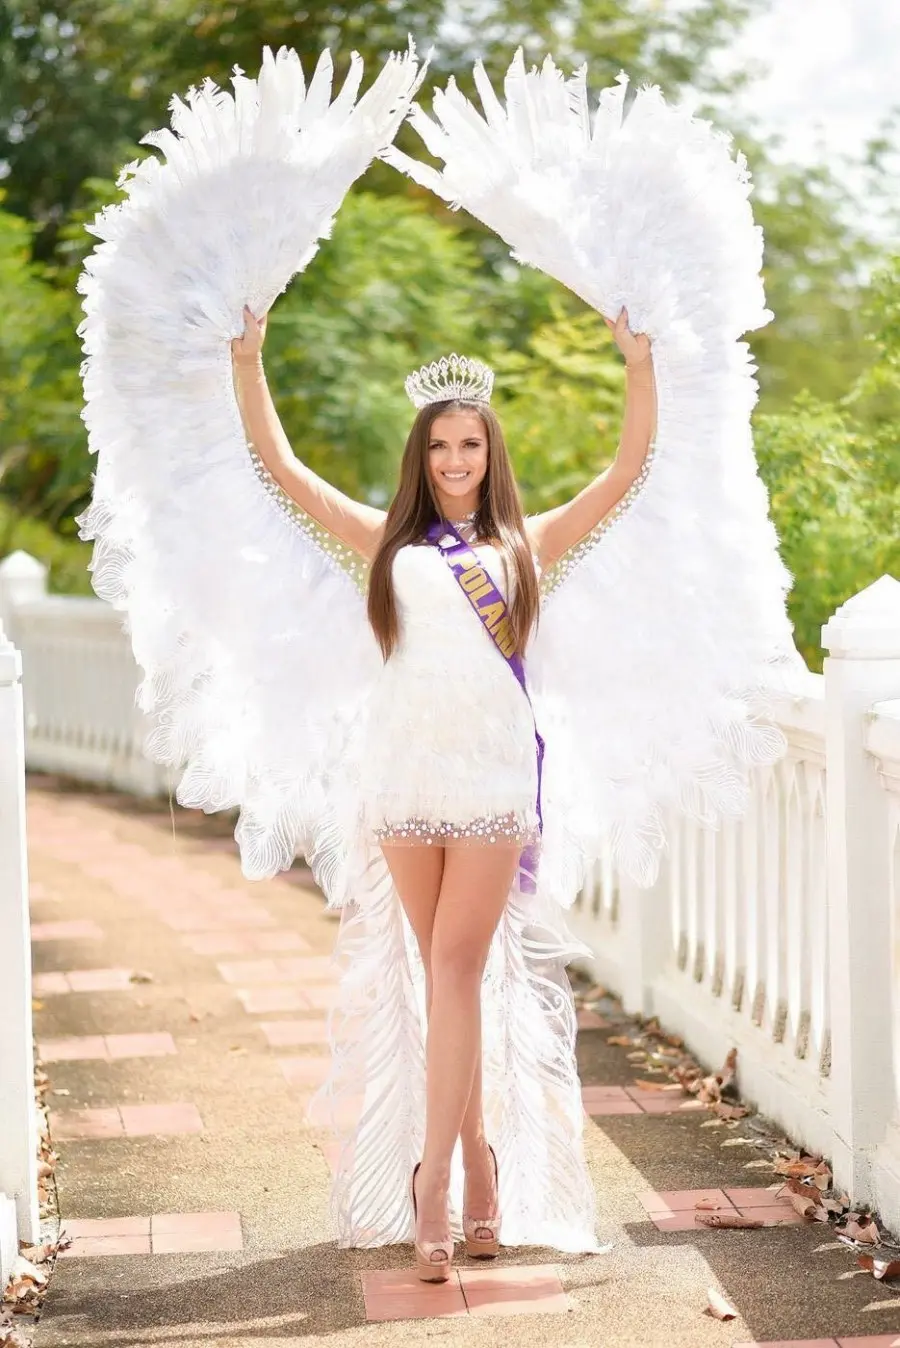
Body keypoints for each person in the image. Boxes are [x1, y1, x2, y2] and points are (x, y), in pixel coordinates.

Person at [230, 307, 656, 1278]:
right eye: (439, 446)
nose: (455, 460)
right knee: (439, 978)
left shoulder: (527, 542)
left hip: (494, 778)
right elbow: (284, 472)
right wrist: (250, 358)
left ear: (490, 453)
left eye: (470, 444)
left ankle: (435, 1193)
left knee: (458, 967)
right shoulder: (388, 542)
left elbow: (625, 473)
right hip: (405, 774)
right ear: (420, 457)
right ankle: (476, 1164)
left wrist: (637, 365)